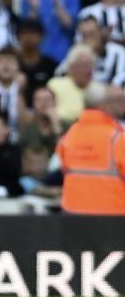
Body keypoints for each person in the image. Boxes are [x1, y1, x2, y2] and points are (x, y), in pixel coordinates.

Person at [56, 84, 125, 215]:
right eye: (117, 100)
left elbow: (63, 166)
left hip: (73, 214)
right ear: (103, 104)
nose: (123, 103)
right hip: (114, 217)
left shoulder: (69, 135)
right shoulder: (118, 138)